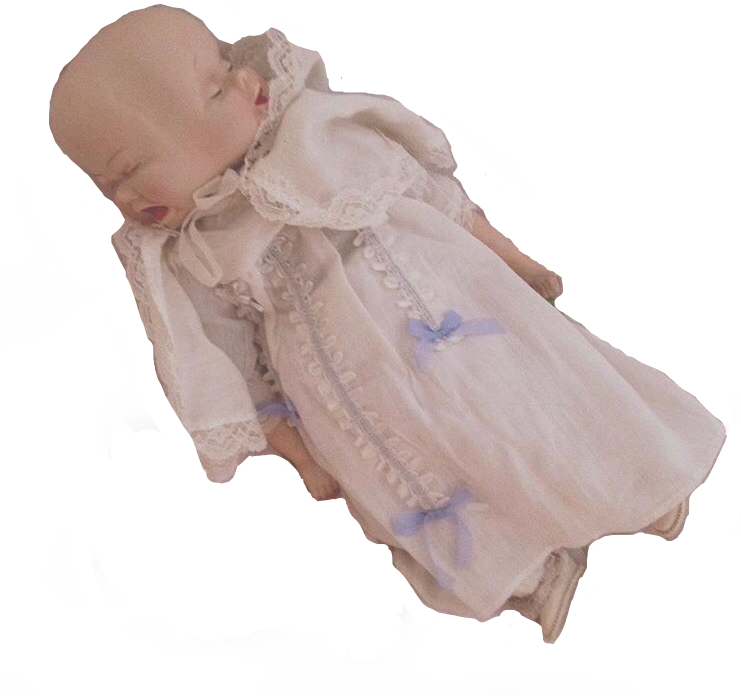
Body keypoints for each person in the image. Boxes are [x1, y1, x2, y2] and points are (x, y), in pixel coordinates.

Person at [48, 5, 728, 643]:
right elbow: (231, 357)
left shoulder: (323, 136)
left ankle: (633, 489)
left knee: (527, 402)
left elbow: (431, 193)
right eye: (111, 185)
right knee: (424, 471)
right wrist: (297, 450)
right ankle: (523, 573)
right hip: (350, 387)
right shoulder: (196, 256)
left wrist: (513, 258)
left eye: (131, 169)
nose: (126, 198)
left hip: (456, 315)